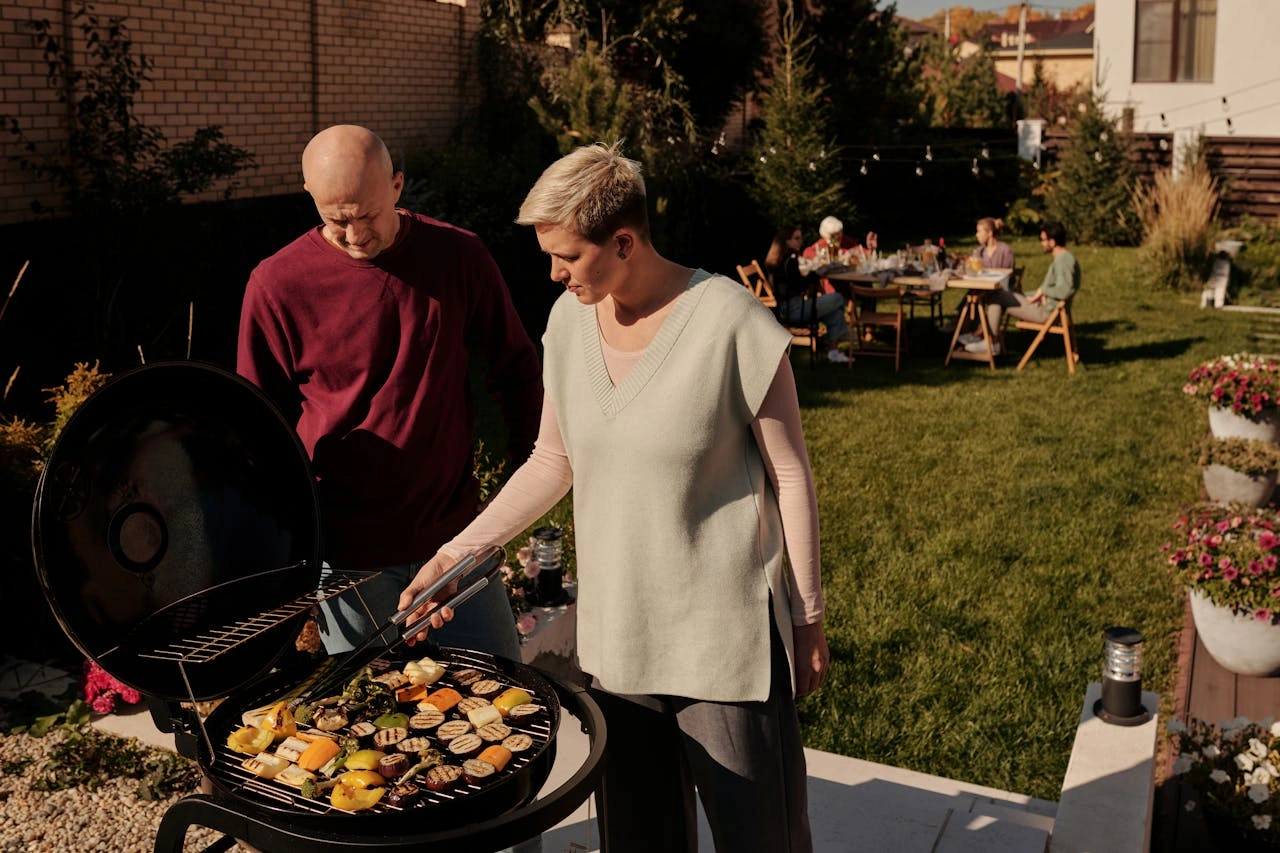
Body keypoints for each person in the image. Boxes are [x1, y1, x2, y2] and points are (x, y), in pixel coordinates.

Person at [400, 142, 830, 853]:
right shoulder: (569, 324)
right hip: (621, 639)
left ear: (623, 241)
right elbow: (551, 459)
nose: (553, 273)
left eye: (567, 256)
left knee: (763, 838)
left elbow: (791, 475)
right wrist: (457, 552)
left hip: (724, 643)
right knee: (639, 839)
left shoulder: (729, 321)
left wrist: (807, 615)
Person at [235, 125, 543, 662]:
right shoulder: (277, 284)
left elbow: (516, 370)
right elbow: (258, 428)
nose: (354, 236)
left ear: (397, 186)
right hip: (349, 556)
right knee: (371, 717)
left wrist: (523, 487)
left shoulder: (459, 257)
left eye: (367, 215)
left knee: (504, 695)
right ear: (310, 197)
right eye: (336, 219)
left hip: (456, 540)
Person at [965, 221, 1080, 356]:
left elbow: (1065, 290)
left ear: (1052, 242)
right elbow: (1056, 289)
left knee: (997, 296)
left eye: (1043, 240)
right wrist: (1029, 295)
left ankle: (990, 342)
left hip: (1046, 313)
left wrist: (1043, 292)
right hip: (1047, 307)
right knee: (1000, 296)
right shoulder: (1063, 258)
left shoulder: (1064, 261)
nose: (1041, 243)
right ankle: (990, 340)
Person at [765, 225, 850, 363]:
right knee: (838, 298)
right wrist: (817, 275)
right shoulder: (790, 261)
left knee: (834, 312)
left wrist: (814, 275)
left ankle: (833, 353)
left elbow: (798, 281)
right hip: (797, 310)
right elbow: (800, 285)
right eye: (796, 238)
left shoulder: (776, 260)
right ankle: (843, 336)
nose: (800, 242)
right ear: (786, 241)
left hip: (783, 309)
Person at [956, 217, 1016, 347]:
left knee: (976, 297)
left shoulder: (1005, 250)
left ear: (989, 233)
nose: (977, 235)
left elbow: (1007, 276)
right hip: (983, 288)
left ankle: (978, 333)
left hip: (1002, 291)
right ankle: (967, 329)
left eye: (979, 231)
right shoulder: (980, 251)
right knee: (971, 295)